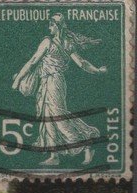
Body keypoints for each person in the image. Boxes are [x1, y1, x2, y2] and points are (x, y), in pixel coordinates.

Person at [12, 13, 106, 166]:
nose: (49, 27)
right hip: (48, 82)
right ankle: (54, 155)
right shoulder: (66, 43)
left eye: (51, 24)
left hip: (54, 82)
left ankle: (87, 141)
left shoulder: (49, 42)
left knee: (57, 116)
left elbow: (32, 62)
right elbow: (82, 63)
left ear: (56, 26)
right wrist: (98, 70)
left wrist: (17, 80)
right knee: (47, 117)